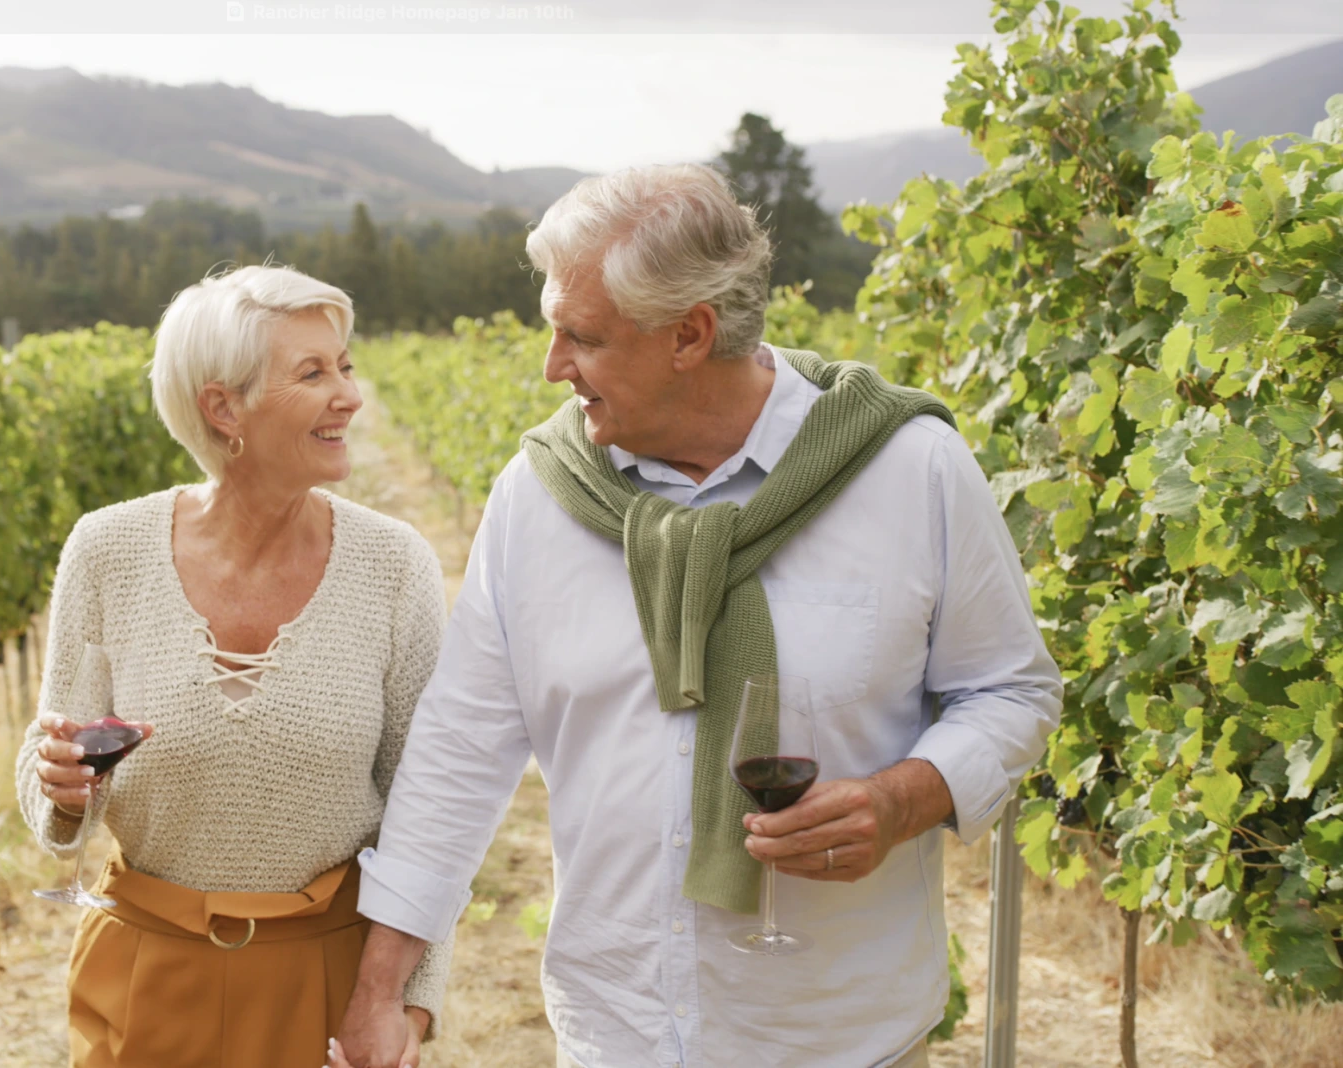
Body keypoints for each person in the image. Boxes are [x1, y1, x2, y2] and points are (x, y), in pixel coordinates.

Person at [328, 164, 1062, 1068]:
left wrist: (900, 800)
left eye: (582, 336)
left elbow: (1011, 691)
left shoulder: (910, 470)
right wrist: (380, 990)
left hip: (838, 1037)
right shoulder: (538, 496)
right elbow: (460, 747)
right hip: (614, 1033)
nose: (553, 366)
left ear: (690, 334)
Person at [17, 264, 451, 1068]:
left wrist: (405, 1002)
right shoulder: (107, 550)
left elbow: (429, 809)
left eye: (345, 366)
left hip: (329, 983)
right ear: (224, 408)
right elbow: (54, 761)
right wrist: (61, 787)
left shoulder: (395, 567)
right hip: (146, 978)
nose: (350, 396)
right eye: (313, 373)